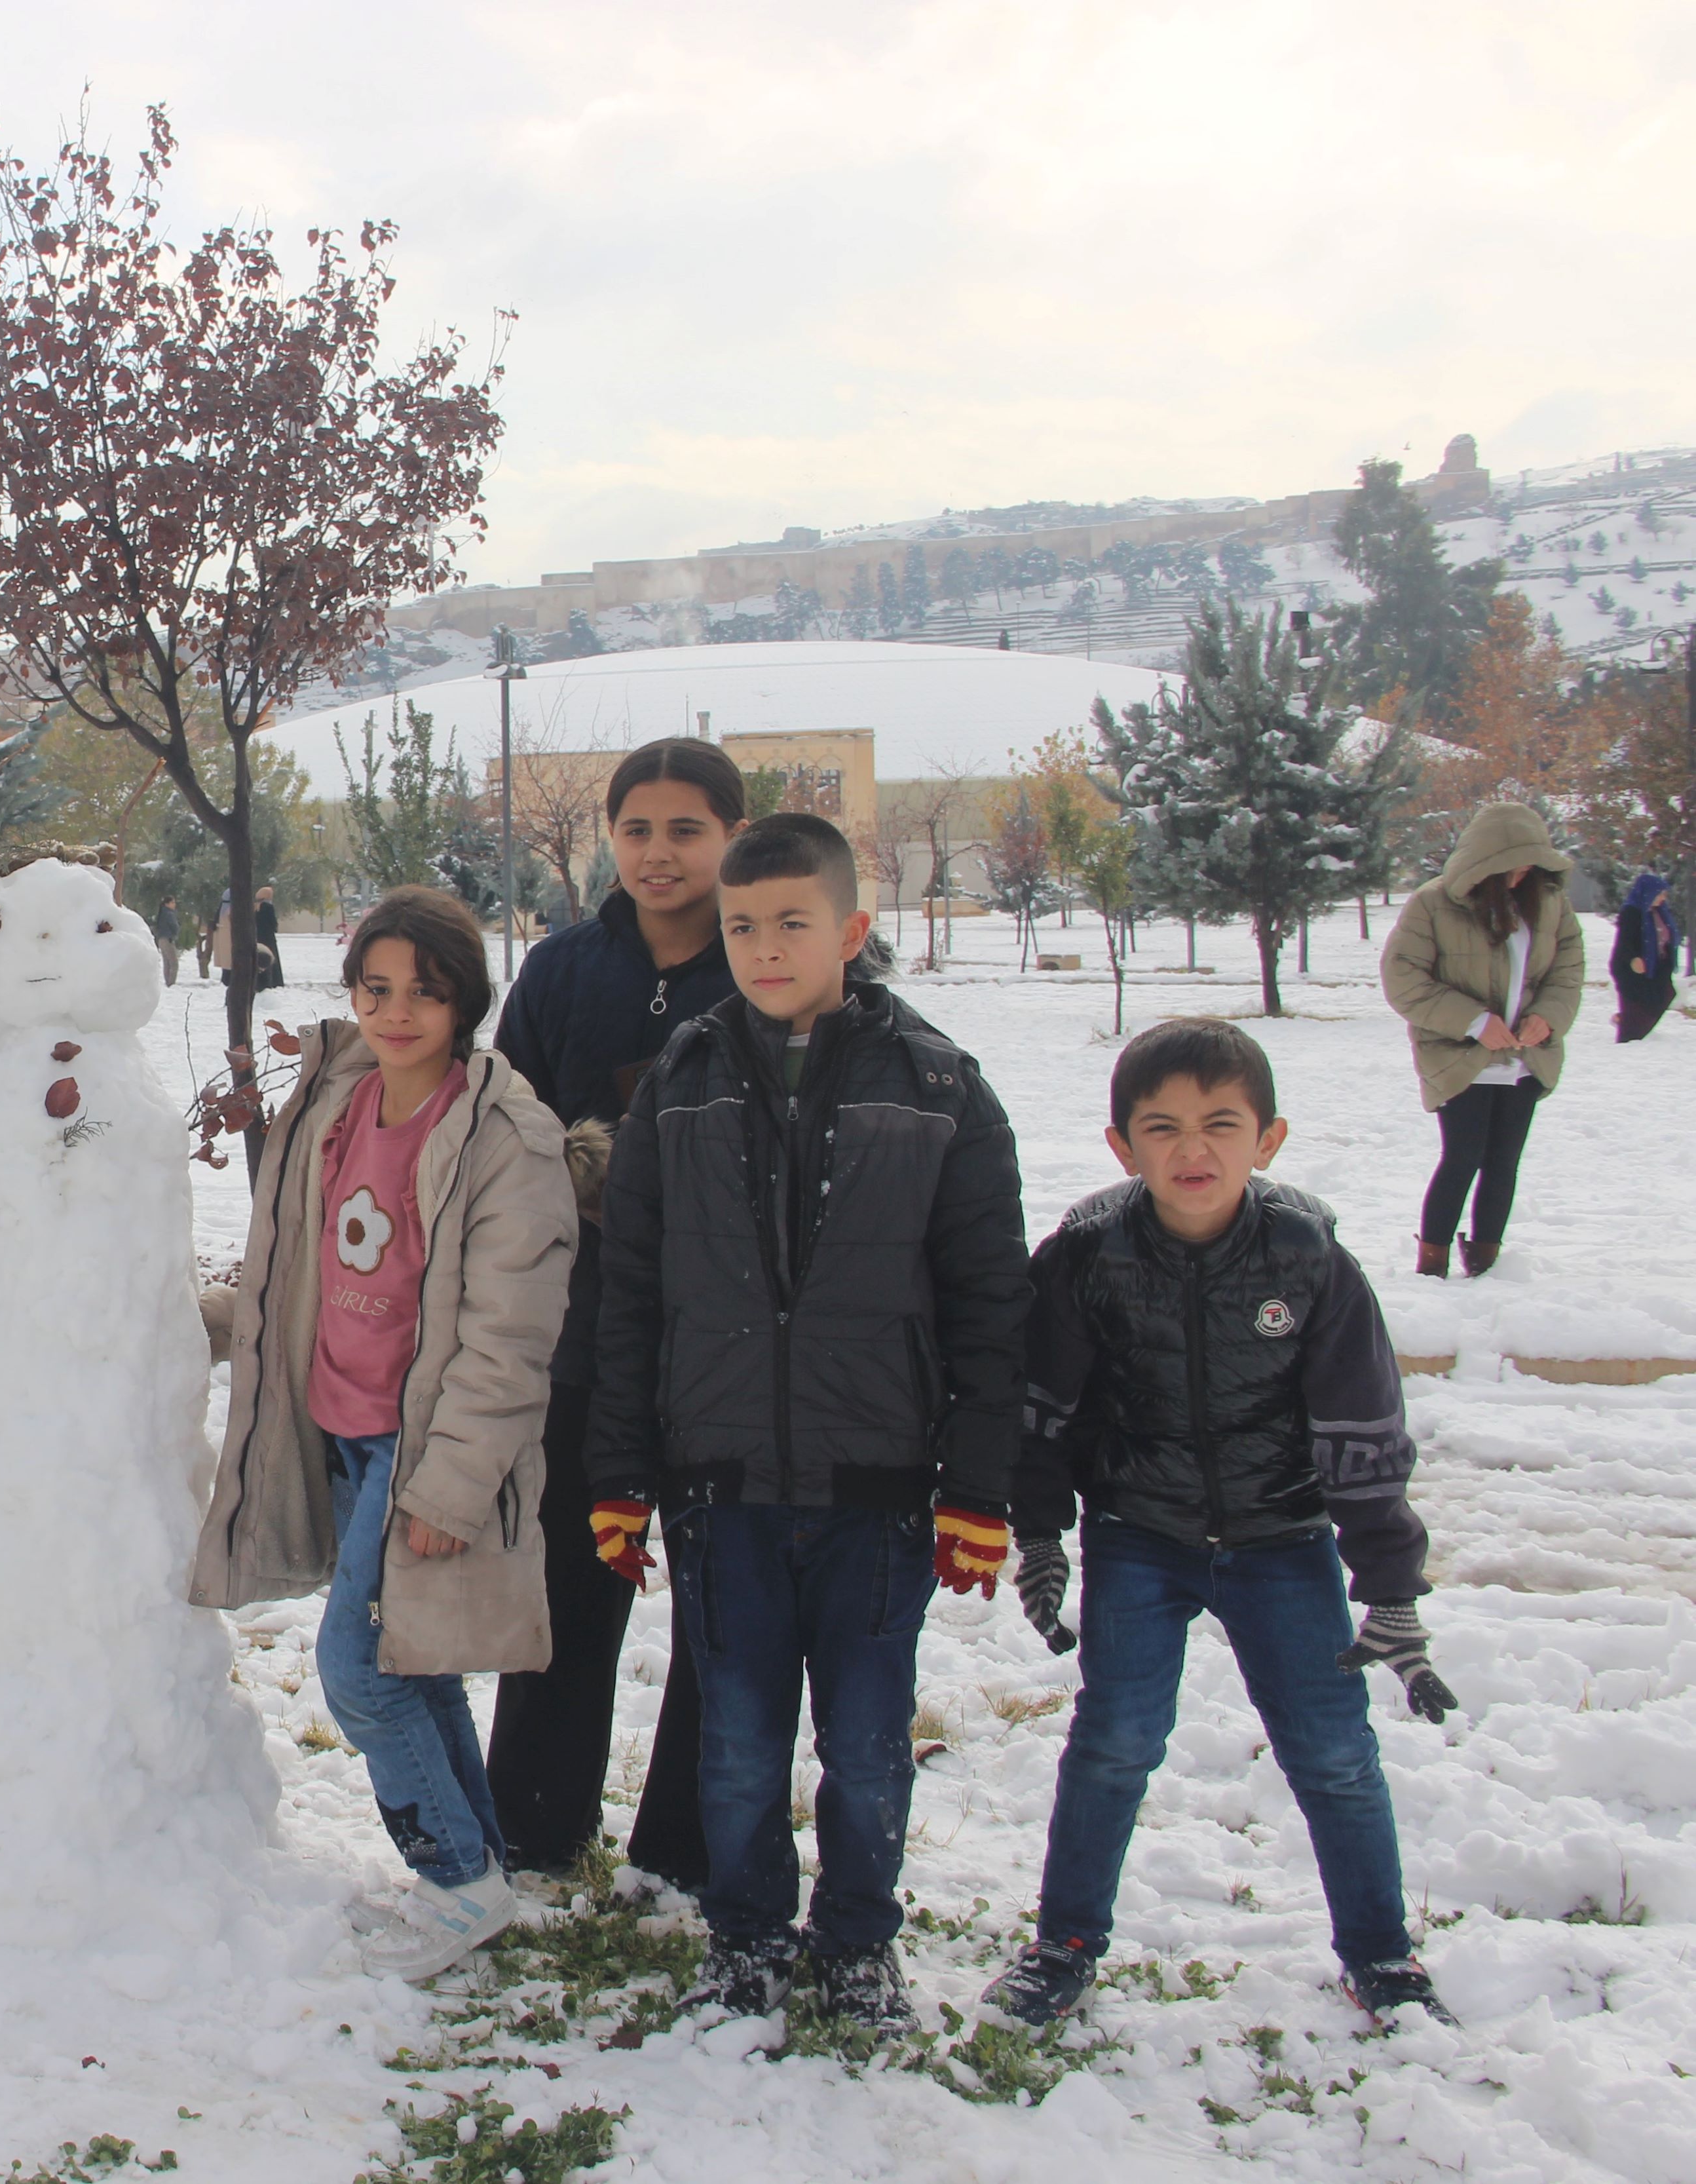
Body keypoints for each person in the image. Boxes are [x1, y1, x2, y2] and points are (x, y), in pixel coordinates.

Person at [582, 812, 1028, 2033]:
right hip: (718, 1484)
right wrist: (621, 1467)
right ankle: (743, 1935)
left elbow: (992, 1303)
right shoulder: (678, 1081)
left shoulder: (936, 1086)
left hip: (876, 1489)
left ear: (850, 928)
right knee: (733, 1742)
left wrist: (980, 1490)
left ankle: (856, 1939)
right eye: (740, 926)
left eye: (791, 922)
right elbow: (630, 1294)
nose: (763, 947)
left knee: (868, 1743)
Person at [983, 1020, 1458, 2029]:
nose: (1189, 1151)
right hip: (1137, 1536)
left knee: (1332, 1750)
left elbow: (1362, 1428)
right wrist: (1037, 1533)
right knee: (1112, 1739)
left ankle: (1380, 1955)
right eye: (1160, 1128)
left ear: (1266, 1139)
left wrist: (1388, 1589)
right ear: (1121, 1146)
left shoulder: (1307, 1259)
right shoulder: (1083, 1256)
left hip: (1280, 1542)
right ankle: (1062, 1941)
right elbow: (1041, 1412)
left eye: (1218, 1125)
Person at [191, 885, 575, 1980]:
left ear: (465, 1001)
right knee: (413, 1664)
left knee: (357, 1671)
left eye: (424, 991)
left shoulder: (504, 1137)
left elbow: (506, 1340)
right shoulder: (332, 1099)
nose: (395, 1011)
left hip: (420, 1454)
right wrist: (210, 1324)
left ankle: (452, 1877)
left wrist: (446, 1490)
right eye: (374, 987)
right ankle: (478, 1876)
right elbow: (294, 1266)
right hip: (340, 1435)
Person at [484, 737, 744, 1887]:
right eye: (635, 828)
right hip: (584, 1333)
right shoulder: (559, 971)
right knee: (567, 1585)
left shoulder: (764, 959)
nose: (656, 852)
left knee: (722, 1607)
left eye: (684, 829)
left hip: (731, 1347)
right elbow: (506, 1131)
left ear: (729, 837)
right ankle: (535, 1828)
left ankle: (687, 1843)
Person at [1381, 803, 1581, 1278]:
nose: (1519, 876)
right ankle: (1432, 1260)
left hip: (1525, 1059)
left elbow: (1567, 971)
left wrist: (1547, 1019)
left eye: (1528, 867)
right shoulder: (1432, 904)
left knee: (1503, 1161)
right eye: (1510, 867)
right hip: (1460, 1059)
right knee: (1462, 1156)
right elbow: (1402, 978)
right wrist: (1473, 1021)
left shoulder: (1550, 902)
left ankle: (1487, 1260)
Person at [1611, 871, 1680, 1043]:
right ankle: (1628, 1035)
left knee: (1665, 994)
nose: (1663, 898)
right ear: (1648, 892)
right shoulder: (1632, 913)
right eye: (1660, 894)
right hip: (1632, 968)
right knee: (1637, 1004)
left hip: (1656, 966)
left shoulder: (1659, 912)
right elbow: (1625, 942)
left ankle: (1627, 1023)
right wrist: (1633, 959)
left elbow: (1668, 936)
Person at [252, 883, 284, 991]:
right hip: (269, 937)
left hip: (259, 936)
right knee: (272, 958)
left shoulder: (256, 907)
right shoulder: (269, 907)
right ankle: (275, 980)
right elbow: (273, 923)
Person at [153, 897, 181, 987]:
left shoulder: (162, 913)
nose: (174, 904)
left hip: (161, 939)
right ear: (167, 904)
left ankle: (168, 981)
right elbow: (174, 926)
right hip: (168, 939)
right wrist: (176, 933)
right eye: (172, 902)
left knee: (167, 962)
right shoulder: (169, 914)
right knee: (174, 963)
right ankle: (171, 982)